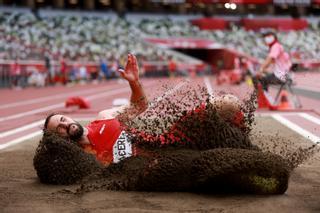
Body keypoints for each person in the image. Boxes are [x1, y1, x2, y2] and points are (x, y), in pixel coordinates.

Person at [43, 54, 245, 166]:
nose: (65, 124)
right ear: (57, 139)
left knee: (228, 103)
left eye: (62, 119)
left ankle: (242, 140)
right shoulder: (82, 159)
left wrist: (134, 84)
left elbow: (139, 106)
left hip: (169, 138)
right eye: (58, 128)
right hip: (163, 166)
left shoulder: (104, 117)